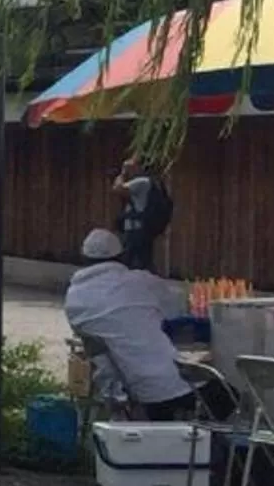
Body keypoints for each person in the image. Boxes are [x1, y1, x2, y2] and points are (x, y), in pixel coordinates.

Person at [65, 226, 196, 419]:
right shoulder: (142, 281)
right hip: (179, 383)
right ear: (122, 256)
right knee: (229, 397)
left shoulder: (73, 300)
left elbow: (98, 354)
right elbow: (178, 308)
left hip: (134, 393)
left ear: (83, 259)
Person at [115, 158, 174, 270]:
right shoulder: (150, 182)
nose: (129, 171)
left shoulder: (141, 182)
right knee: (144, 263)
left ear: (138, 168)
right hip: (143, 229)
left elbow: (118, 188)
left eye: (130, 168)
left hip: (135, 230)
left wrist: (122, 174)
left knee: (126, 265)